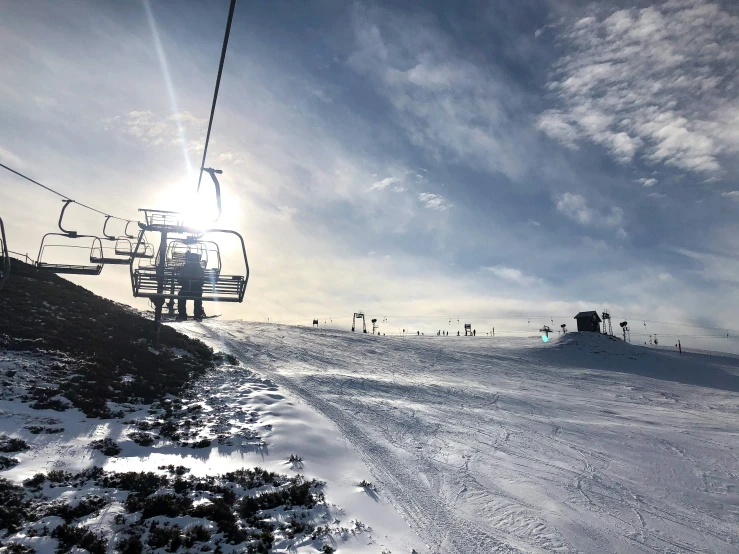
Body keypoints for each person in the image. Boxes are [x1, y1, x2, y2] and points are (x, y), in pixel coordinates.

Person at [177, 252, 206, 321]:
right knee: (198, 298)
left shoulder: (185, 267)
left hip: (185, 290)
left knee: (181, 297)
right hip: (196, 291)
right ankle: (197, 315)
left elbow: (180, 280)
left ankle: (182, 314)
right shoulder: (200, 269)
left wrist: (185, 283)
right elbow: (202, 282)